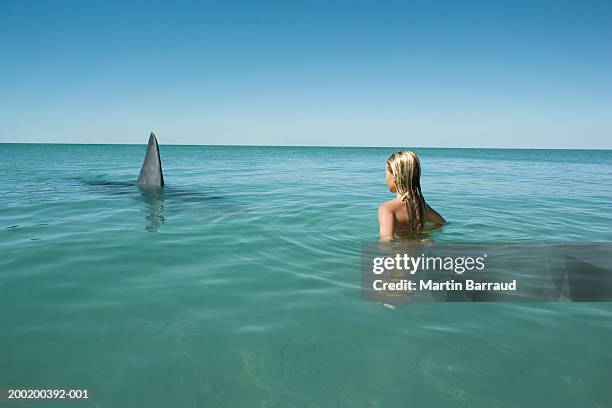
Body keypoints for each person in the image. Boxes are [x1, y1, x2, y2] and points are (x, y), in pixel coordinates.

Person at [378, 151, 445, 240]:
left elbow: (387, 241)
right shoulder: (421, 205)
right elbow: (441, 223)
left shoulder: (387, 208)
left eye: (386, 174)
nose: (385, 178)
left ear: (394, 176)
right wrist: (422, 235)